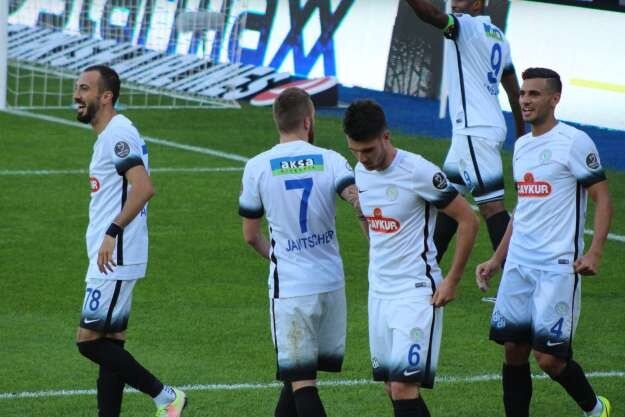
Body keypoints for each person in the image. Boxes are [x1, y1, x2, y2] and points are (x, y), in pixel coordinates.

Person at [476, 68, 613, 417]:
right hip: (519, 265)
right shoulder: (522, 146)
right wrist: (496, 259)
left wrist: (595, 251)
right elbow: (523, 210)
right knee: (513, 349)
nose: (525, 100)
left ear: (555, 99)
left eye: (534, 94)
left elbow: (602, 197)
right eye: (522, 93)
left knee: (549, 359)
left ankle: (596, 409)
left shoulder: (574, 142)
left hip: (557, 267)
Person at [343, 99, 479, 417]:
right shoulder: (361, 171)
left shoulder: (418, 171)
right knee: (391, 386)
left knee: (403, 387)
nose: (362, 158)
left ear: (386, 137)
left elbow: (468, 220)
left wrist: (452, 280)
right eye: (355, 151)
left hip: (415, 292)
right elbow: (370, 220)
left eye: (368, 150)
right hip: (379, 292)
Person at [239, 87, 365, 417]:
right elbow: (355, 198)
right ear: (308, 121)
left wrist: (280, 256)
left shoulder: (257, 166)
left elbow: (251, 236)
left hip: (293, 290)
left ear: (277, 121)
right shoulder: (331, 159)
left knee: (302, 382)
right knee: (295, 377)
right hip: (331, 285)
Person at [73, 65, 186, 417]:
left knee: (88, 341)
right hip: (114, 254)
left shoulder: (118, 134)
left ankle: (166, 396)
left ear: (106, 97)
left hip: (115, 255)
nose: (76, 95)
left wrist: (111, 232)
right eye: (77, 88)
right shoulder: (112, 134)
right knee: (111, 342)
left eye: (85, 88)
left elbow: (144, 187)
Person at [404, 0, 524, 262]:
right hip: (479, 129)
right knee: (449, 205)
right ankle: (425, 271)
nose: (454, 3)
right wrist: (523, 138)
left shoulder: (464, 26)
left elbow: (430, 14)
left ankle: (516, 277)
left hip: (474, 130)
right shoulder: (499, 37)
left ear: (478, 3)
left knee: (492, 207)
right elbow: (515, 93)